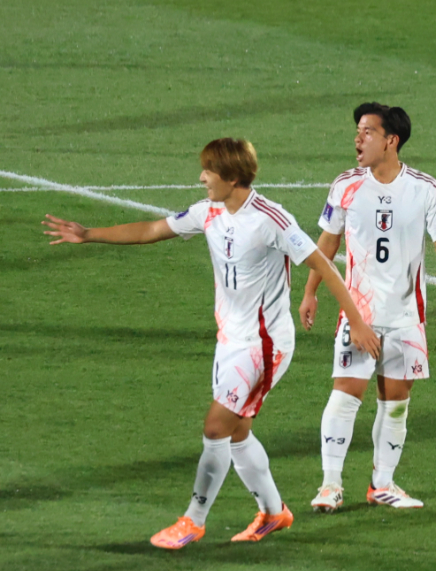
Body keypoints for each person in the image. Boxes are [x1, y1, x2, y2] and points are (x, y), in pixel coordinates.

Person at [42, 138, 380, 549]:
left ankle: (193, 519)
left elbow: (323, 264)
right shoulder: (209, 212)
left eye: (209, 171)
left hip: (264, 344)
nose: (202, 177)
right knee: (237, 433)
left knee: (216, 426)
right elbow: (152, 229)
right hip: (230, 340)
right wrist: (88, 234)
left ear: (232, 177)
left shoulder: (270, 219)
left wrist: (357, 322)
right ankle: (274, 512)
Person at [302, 103, 436, 512]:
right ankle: (330, 486)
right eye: (358, 131)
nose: (358, 139)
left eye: (367, 132)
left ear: (391, 140)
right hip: (359, 316)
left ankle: (382, 485)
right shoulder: (345, 185)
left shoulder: (425, 188)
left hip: (407, 318)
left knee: (396, 404)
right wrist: (310, 291)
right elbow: (327, 242)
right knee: (345, 394)